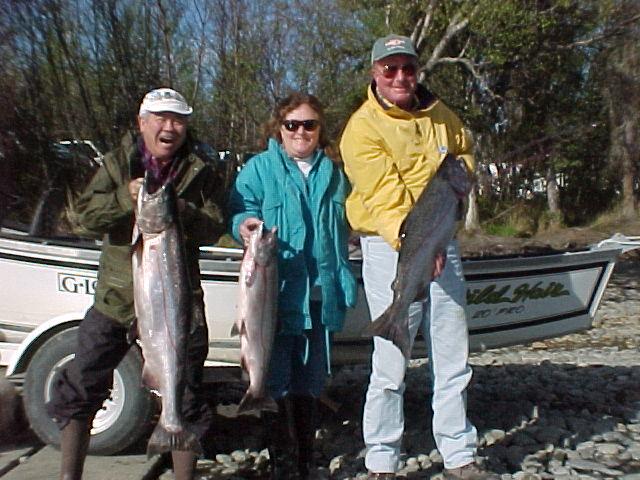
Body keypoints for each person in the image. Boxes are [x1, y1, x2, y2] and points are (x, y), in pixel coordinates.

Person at [339, 35, 498, 480]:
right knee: (390, 363)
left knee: (453, 354)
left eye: (407, 68)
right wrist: (419, 251)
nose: (400, 77)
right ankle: (382, 460)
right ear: (374, 73)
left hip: (440, 240)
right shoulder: (362, 128)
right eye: (389, 69)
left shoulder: (440, 114)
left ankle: (459, 454)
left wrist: (458, 183)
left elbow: (464, 150)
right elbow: (386, 201)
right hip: (392, 246)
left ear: (416, 71)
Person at [47, 87, 225, 480]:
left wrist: (183, 210)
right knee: (80, 386)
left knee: (188, 394)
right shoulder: (113, 165)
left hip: (178, 303)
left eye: (178, 120)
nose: (169, 127)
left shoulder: (201, 170)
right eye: (160, 118)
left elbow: (216, 225)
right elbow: (82, 218)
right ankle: (68, 475)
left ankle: (180, 460)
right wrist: (126, 200)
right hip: (115, 300)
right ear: (142, 123)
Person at [229, 92, 357, 479]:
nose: (301, 132)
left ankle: (304, 462)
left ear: (320, 130)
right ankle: (281, 464)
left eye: (309, 125)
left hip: (321, 296)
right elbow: (237, 209)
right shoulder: (258, 169)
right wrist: (246, 226)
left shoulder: (337, 174)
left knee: (311, 382)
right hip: (275, 297)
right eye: (292, 125)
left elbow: (352, 221)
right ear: (279, 129)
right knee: (274, 379)